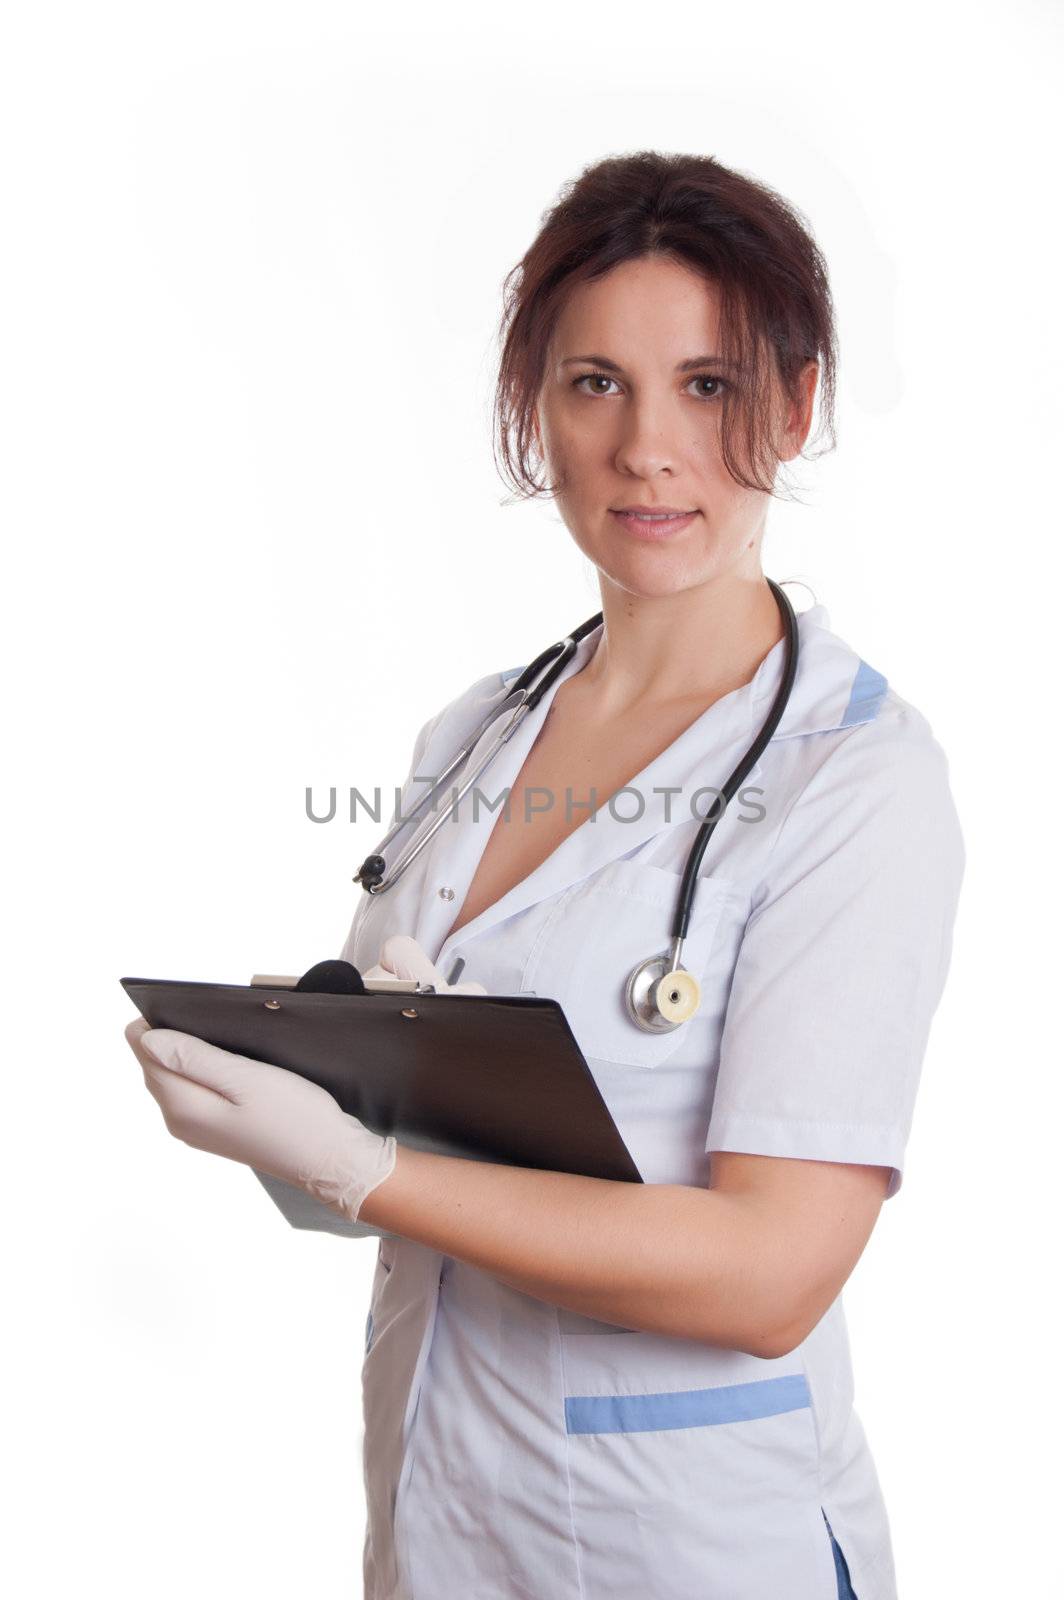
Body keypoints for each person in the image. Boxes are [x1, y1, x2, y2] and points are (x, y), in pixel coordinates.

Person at [125, 151, 965, 1600]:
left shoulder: (857, 779)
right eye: (595, 384)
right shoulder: (474, 734)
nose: (649, 447)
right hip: (443, 1513)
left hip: (698, 1540)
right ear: (535, 408)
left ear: (800, 405)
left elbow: (773, 1275)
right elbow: (439, 1118)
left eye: (708, 385)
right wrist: (310, 1073)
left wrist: (362, 1163)